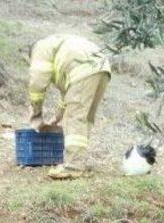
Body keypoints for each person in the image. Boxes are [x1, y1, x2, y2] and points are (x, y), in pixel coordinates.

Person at [27, 34, 110, 180]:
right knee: (85, 117)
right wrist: (58, 116)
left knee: (74, 118)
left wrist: (36, 112)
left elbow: (37, 83)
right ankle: (78, 160)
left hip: (83, 67)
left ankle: (73, 167)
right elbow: (68, 93)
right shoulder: (57, 44)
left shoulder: (40, 48)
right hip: (102, 67)